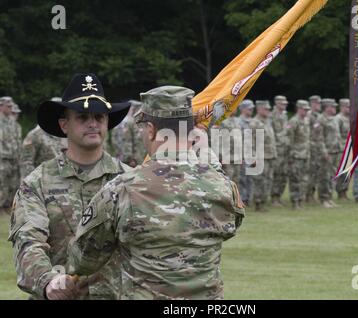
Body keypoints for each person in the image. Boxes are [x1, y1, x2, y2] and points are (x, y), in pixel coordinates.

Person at [68, 86, 245, 300]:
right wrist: (205, 153)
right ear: (190, 131)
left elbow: (83, 261)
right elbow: (233, 222)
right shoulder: (221, 186)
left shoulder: (121, 189)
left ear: (150, 129)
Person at [8, 73, 132, 300]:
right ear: (64, 125)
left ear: (107, 123)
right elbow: (28, 241)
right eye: (82, 117)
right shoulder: (38, 182)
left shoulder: (130, 180)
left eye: (99, 117)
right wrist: (47, 281)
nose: (93, 123)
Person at [20, 98, 68, 179]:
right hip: (42, 182)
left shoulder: (67, 133)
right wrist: (32, 182)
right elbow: (26, 162)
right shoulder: (35, 135)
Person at [249, 100, 277, 212]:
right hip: (260, 157)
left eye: (269, 109)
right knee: (259, 181)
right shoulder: (254, 123)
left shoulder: (267, 122)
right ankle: (258, 203)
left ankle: (264, 202)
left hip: (270, 156)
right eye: (266, 109)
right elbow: (249, 142)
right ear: (259, 109)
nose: (268, 111)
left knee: (268, 180)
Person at [286, 100, 311, 210]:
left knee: (304, 179)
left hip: (305, 154)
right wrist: (290, 155)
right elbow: (289, 139)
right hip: (296, 155)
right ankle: (295, 202)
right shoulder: (293, 121)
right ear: (299, 109)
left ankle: (301, 200)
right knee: (295, 179)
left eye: (307, 110)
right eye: (304, 109)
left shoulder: (306, 120)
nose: (306, 112)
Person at [318, 98, 341, 208]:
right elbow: (319, 138)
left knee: (332, 175)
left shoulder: (334, 119)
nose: (334, 108)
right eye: (333, 106)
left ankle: (329, 197)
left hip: (335, 151)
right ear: (327, 108)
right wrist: (324, 151)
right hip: (327, 152)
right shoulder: (321, 119)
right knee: (325, 176)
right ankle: (324, 199)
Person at [111, 100, 147, 167]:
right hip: (131, 161)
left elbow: (115, 140)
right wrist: (131, 159)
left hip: (122, 158)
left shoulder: (121, 122)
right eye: (137, 108)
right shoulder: (129, 122)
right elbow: (127, 141)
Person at [0, 96, 20, 213]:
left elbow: (15, 140)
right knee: (1, 182)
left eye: (11, 106)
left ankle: (7, 205)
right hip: (1, 157)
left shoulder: (12, 122)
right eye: (8, 106)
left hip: (12, 157)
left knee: (11, 183)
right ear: (1, 106)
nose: (10, 108)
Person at [306, 95, 325, 204]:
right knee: (311, 171)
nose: (319, 105)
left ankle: (312, 193)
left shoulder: (318, 116)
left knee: (316, 171)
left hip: (317, 147)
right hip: (310, 148)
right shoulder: (309, 116)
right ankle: (308, 195)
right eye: (317, 103)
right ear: (312, 104)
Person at [271, 95, 289, 207]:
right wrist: (286, 131)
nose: (284, 105)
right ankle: (274, 198)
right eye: (282, 103)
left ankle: (279, 196)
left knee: (283, 174)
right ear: (277, 103)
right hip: (277, 149)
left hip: (285, 148)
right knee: (276, 174)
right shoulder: (272, 116)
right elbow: (274, 134)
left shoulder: (284, 115)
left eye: (285, 104)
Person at [237, 100, 255, 207]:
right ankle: (242, 199)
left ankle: (248, 198)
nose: (251, 110)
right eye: (249, 108)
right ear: (243, 109)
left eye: (252, 108)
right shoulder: (238, 122)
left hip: (250, 153)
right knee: (242, 178)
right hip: (242, 154)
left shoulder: (252, 122)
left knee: (250, 178)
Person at [335, 98, 351, 200]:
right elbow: (337, 135)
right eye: (347, 106)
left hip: (350, 149)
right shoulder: (338, 119)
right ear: (341, 107)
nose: (349, 109)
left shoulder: (350, 118)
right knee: (341, 172)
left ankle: (345, 191)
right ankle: (340, 192)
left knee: (347, 172)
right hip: (341, 149)